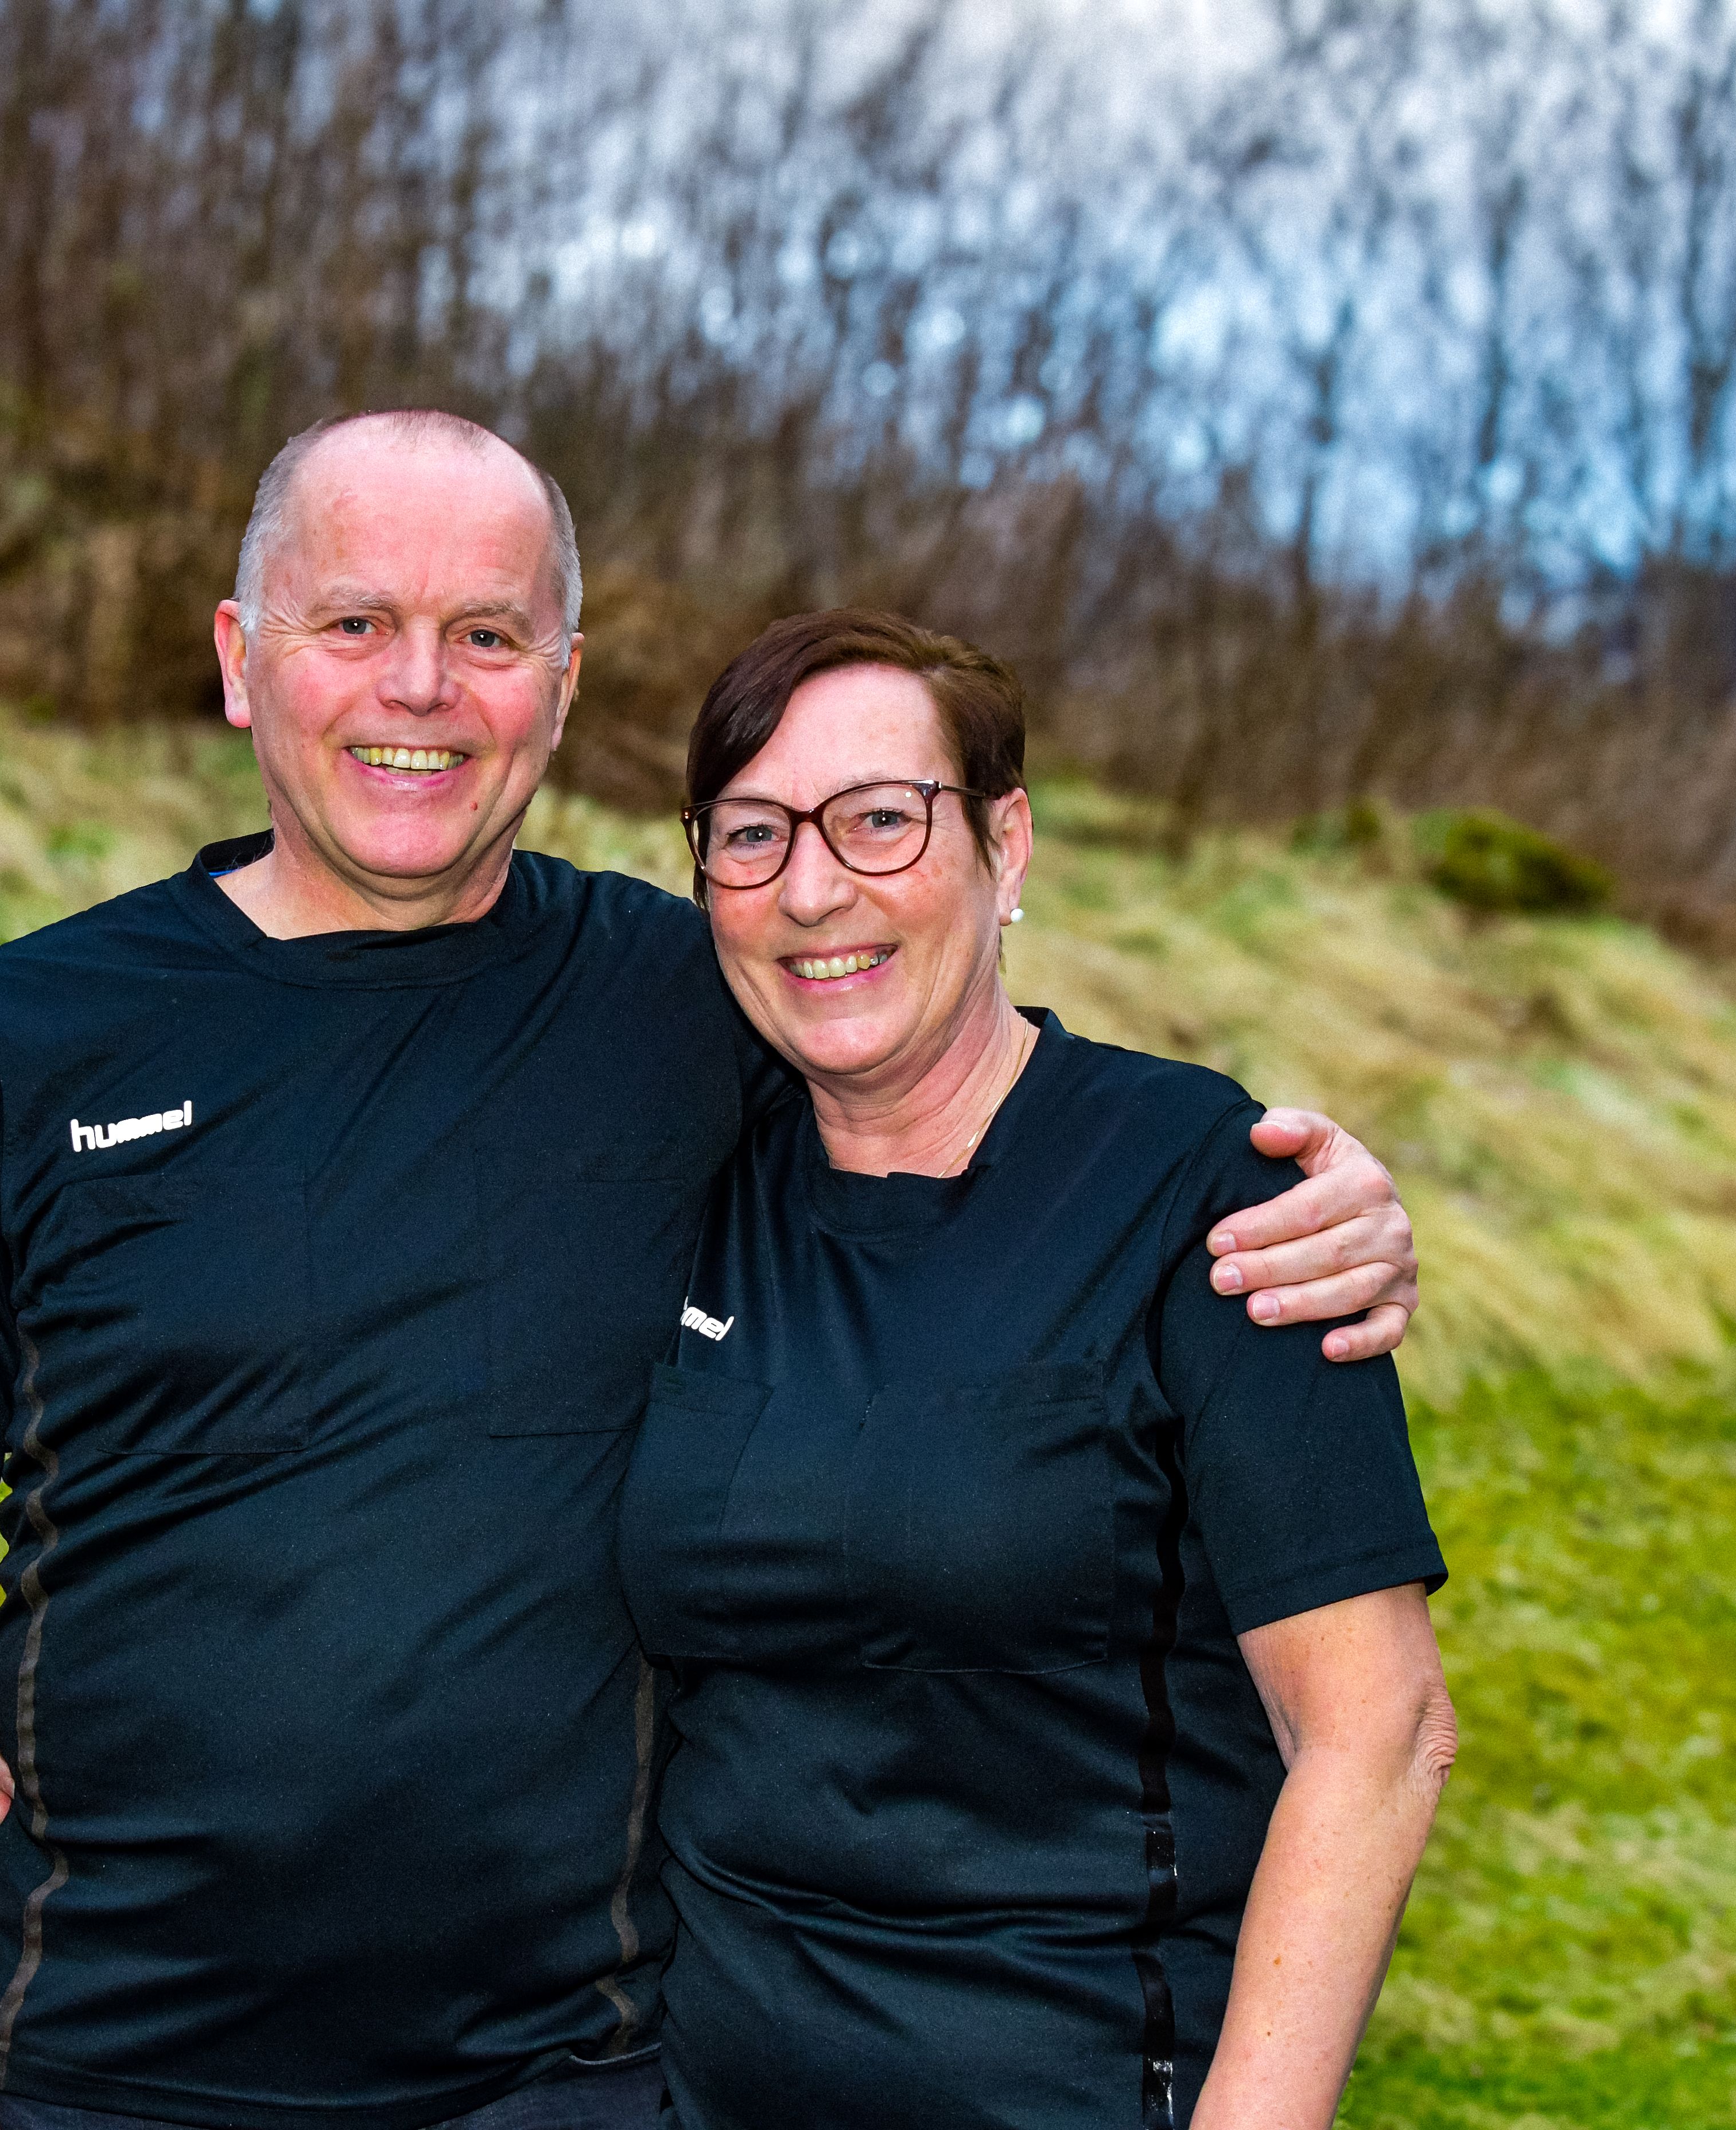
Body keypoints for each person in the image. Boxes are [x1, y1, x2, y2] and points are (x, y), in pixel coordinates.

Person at [0, 410, 1424, 2130]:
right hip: (100, 2063)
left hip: (573, 2077)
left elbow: (965, 1097)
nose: (420, 688)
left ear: (562, 690)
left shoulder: (693, 1001)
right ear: (237, 659)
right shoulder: (33, 1032)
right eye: (355, 622)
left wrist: (1330, 1201)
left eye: (488, 636)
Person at [620, 610, 1455, 2130]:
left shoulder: (1209, 1195)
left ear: (1006, 847)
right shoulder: (691, 1188)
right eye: (752, 834)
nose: (812, 888)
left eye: (881, 819)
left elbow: (1377, 1734)